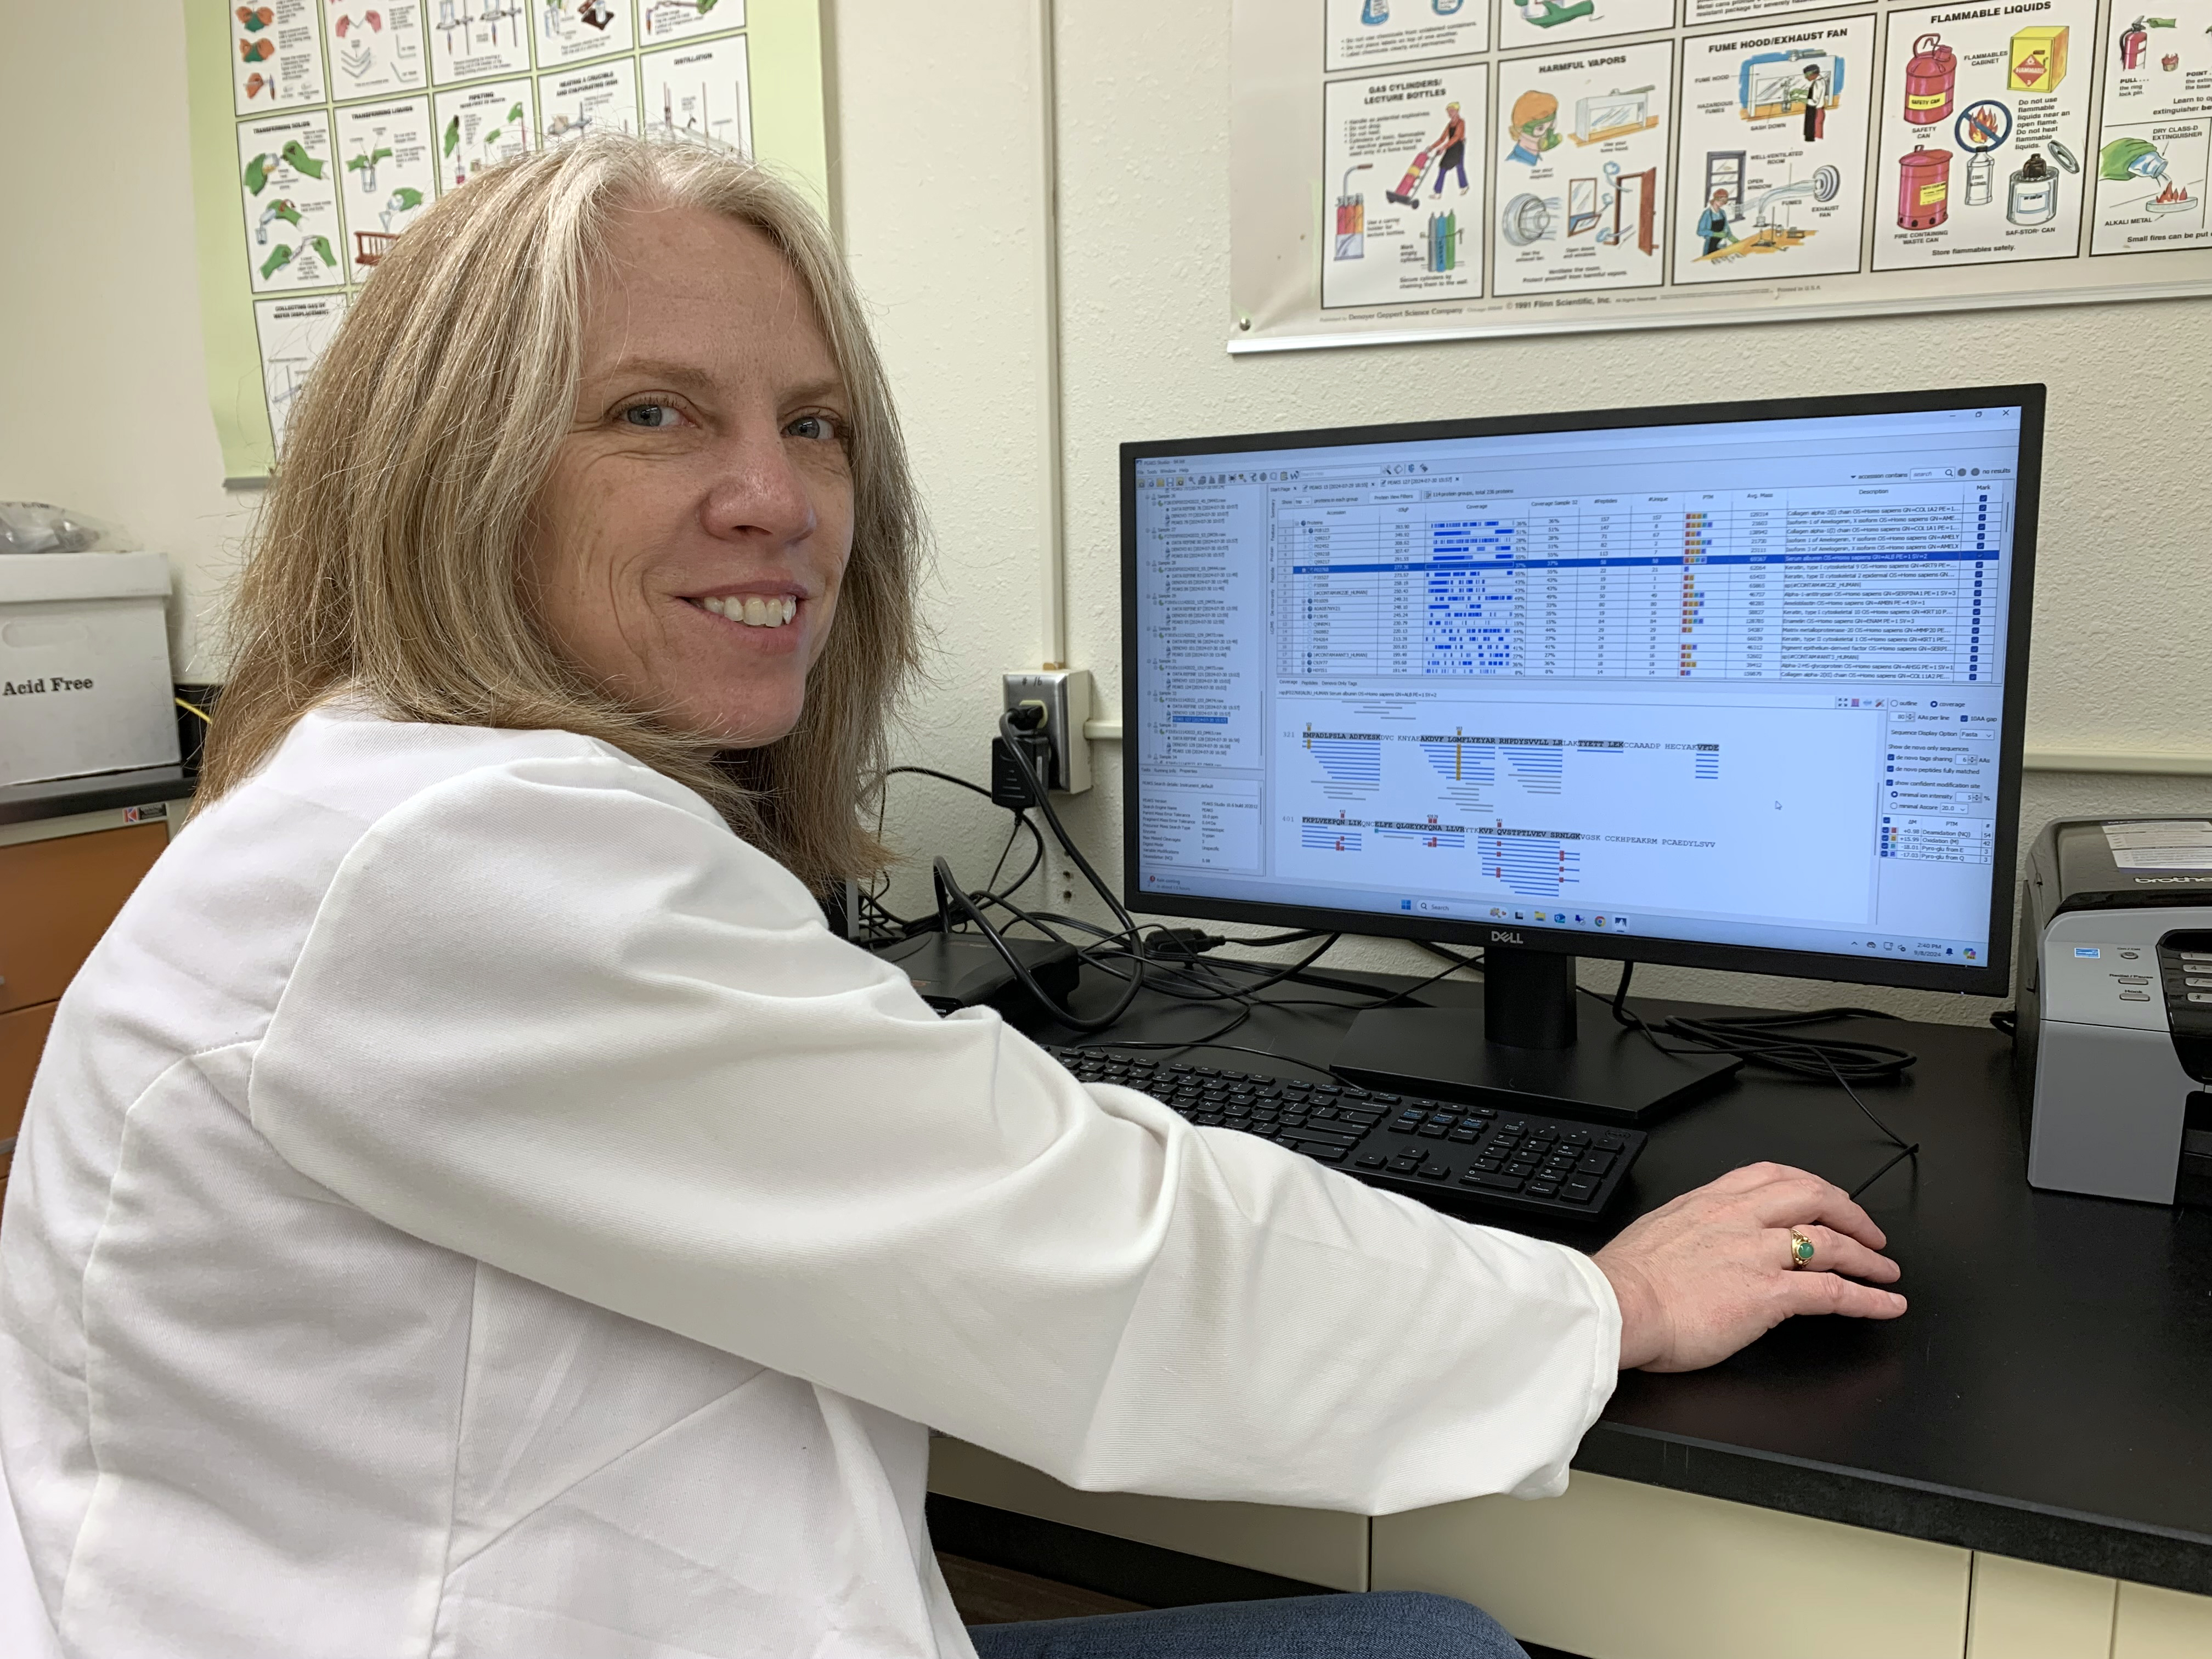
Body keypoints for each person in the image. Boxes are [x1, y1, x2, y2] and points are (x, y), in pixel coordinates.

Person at [0, 133, 1904, 1659]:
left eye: (811, 423)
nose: (779, 498)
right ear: (450, 470)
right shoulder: (456, 856)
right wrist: (1597, 1301)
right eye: (654, 413)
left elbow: (959, 1177)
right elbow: (1100, 1258)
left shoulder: (393, 793)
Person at [1505, 90, 1560, 166]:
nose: (1547, 135)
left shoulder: (1538, 160)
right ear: (1520, 130)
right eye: (1540, 129)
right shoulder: (1515, 163)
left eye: (1551, 125)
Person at [1430, 100, 1469, 197]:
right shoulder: (1449, 125)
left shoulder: (1461, 122)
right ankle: (1439, 192)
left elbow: (1456, 137)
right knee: (1447, 167)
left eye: (1451, 111)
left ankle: (1463, 186)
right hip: (1451, 147)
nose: (1449, 113)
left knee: (1456, 167)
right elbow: (1442, 138)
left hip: (1458, 147)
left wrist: (1443, 148)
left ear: (1457, 111)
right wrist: (1432, 147)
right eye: (1448, 111)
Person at [1699, 186, 1740, 255]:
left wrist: (1734, 239)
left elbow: (1727, 229)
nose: (1722, 202)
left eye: (1724, 201)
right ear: (1715, 199)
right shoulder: (1707, 214)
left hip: (1722, 245)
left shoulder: (1722, 213)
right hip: (1710, 246)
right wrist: (1715, 234)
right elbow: (1700, 231)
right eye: (1720, 200)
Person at [1802, 61, 1829, 142]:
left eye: (1807, 76)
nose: (1806, 78)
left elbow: (1814, 102)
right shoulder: (1820, 81)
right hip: (1818, 111)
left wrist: (1801, 100)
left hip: (1816, 113)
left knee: (1815, 136)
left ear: (1813, 74)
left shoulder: (1818, 84)